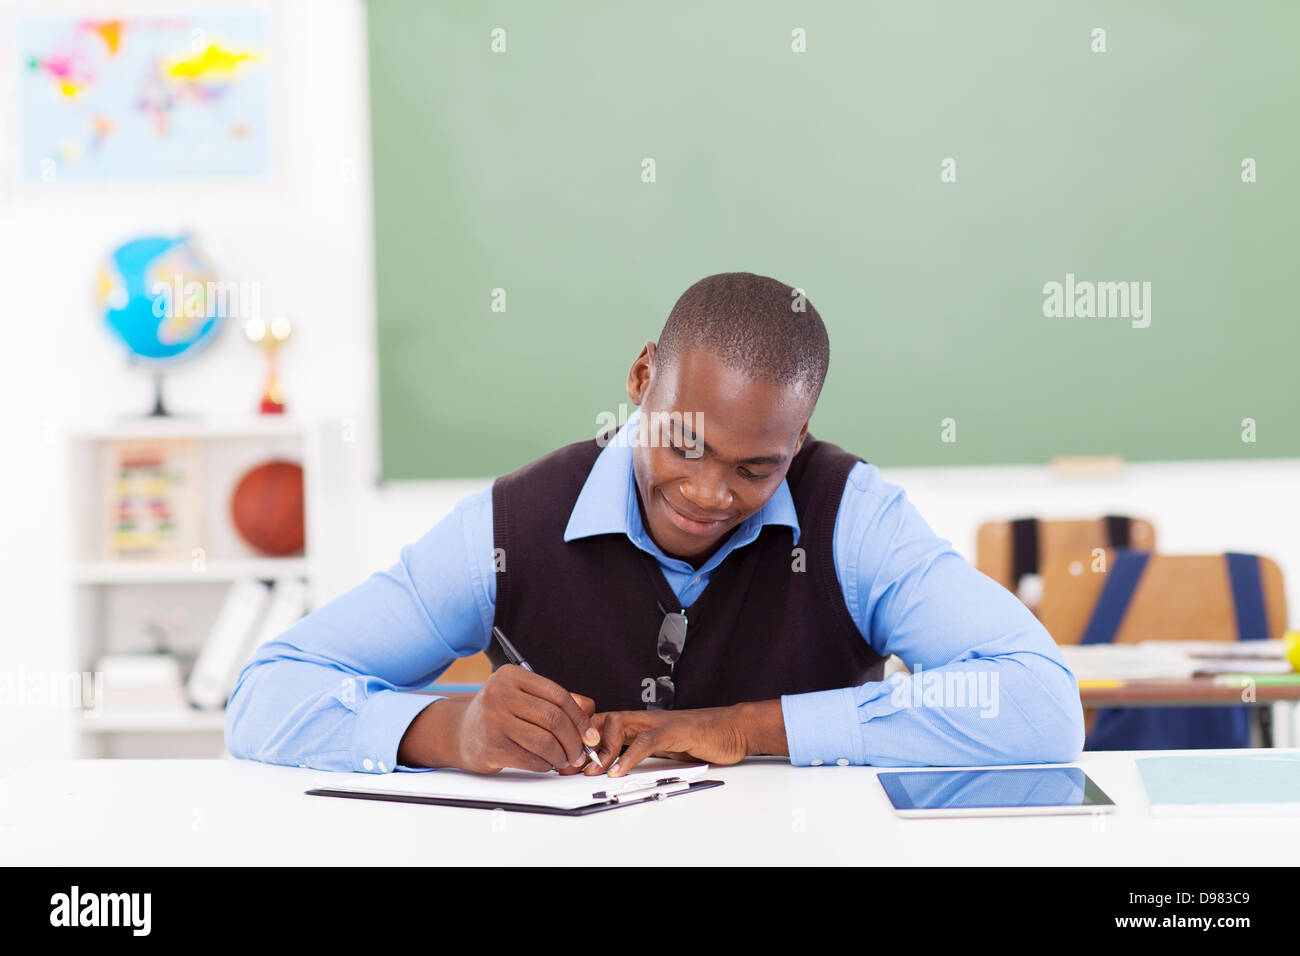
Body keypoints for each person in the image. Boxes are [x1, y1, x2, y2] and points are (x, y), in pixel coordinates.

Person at [227, 272, 1084, 778]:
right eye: (687, 443)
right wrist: (448, 731)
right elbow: (266, 694)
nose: (710, 493)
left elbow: (1041, 705)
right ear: (642, 377)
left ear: (801, 434)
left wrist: (747, 727)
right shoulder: (509, 525)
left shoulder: (854, 517)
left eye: (757, 468)